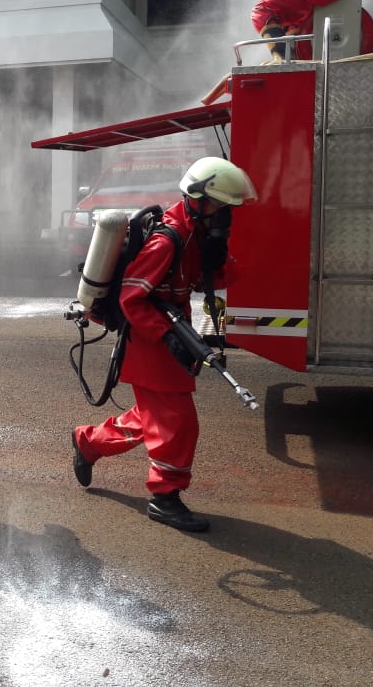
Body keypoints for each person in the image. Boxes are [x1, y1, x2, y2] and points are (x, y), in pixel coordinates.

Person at [70, 157, 257, 532]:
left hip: (169, 333)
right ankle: (164, 497)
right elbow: (131, 299)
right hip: (152, 339)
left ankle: (88, 442)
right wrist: (167, 336)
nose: (225, 217)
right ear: (197, 200)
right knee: (178, 422)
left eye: (229, 210)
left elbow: (218, 281)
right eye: (221, 208)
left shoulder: (195, 236)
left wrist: (217, 257)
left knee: (150, 418)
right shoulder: (165, 240)